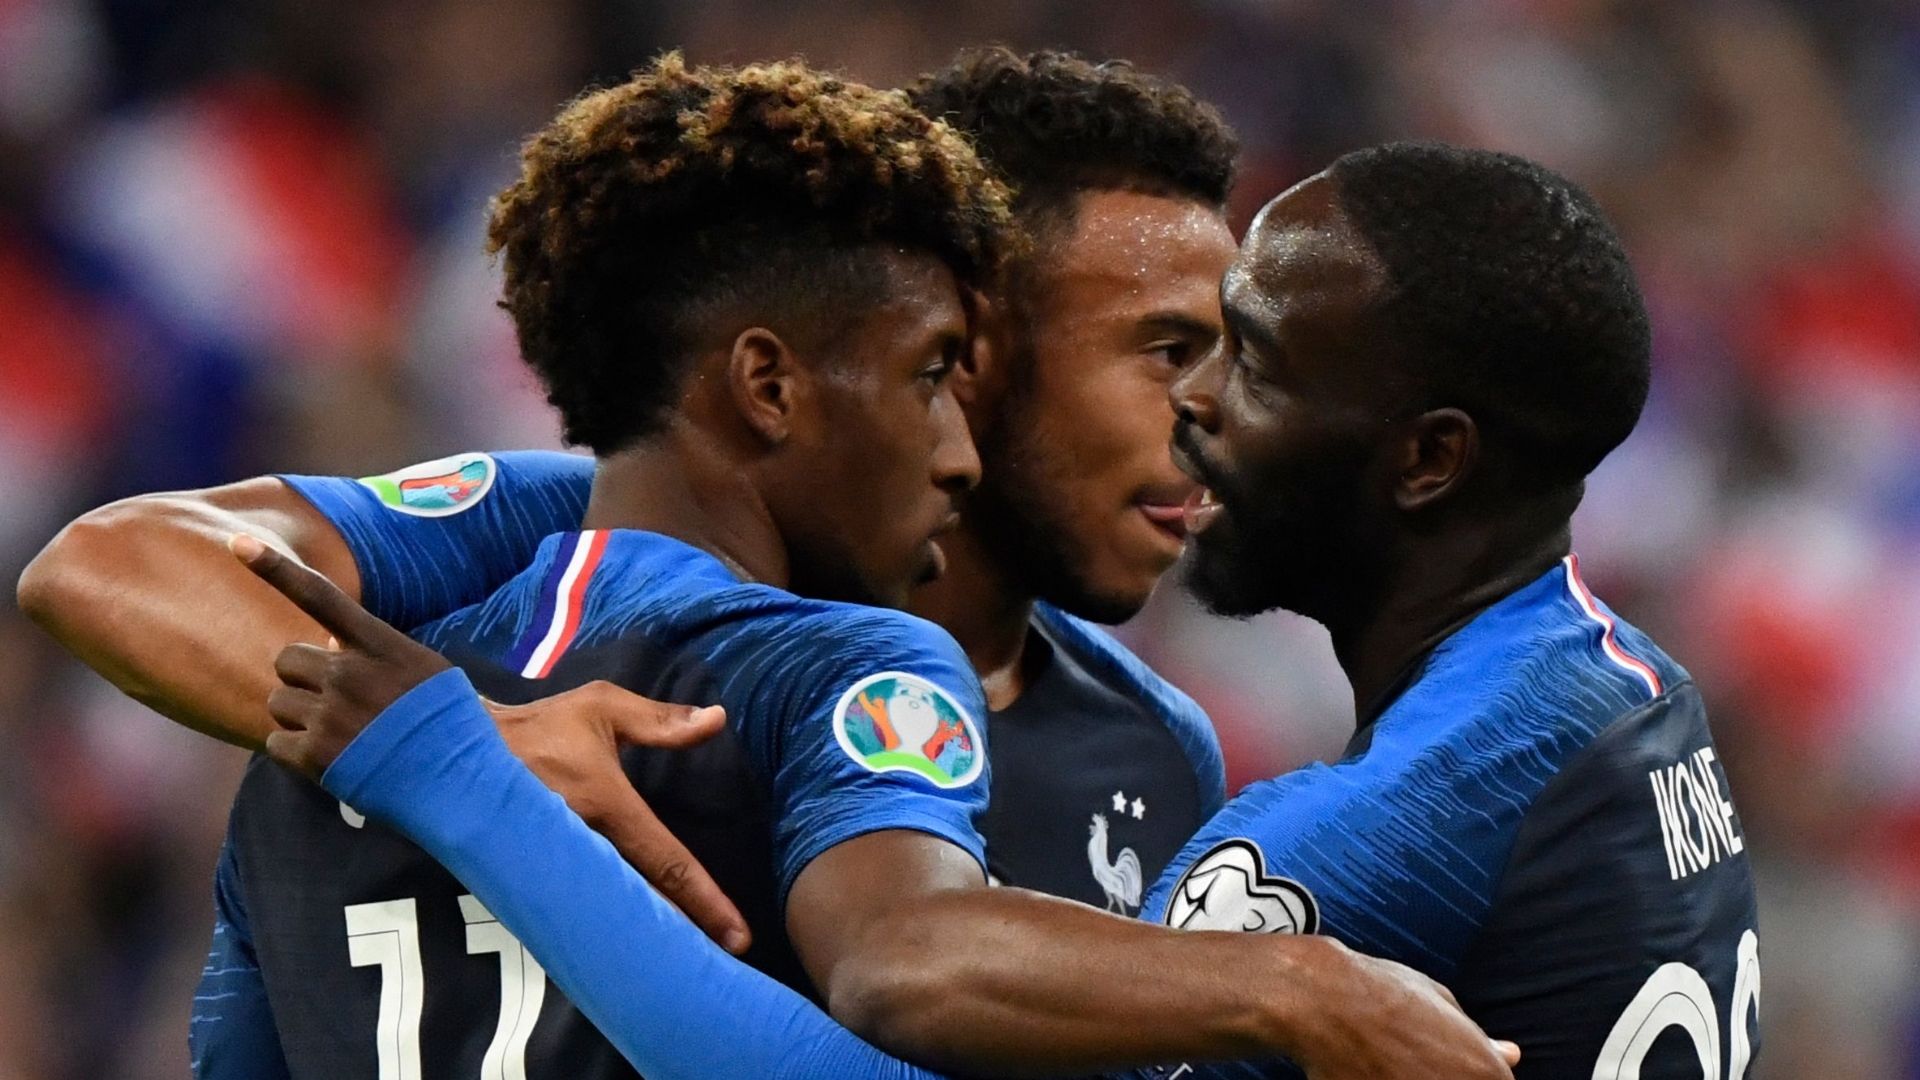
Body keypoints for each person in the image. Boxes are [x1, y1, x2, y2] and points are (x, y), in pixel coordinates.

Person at [18, 59, 1512, 1080]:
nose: (1213, 414)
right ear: (978, 352)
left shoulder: (1150, 743)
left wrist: (418, 741)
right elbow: (111, 561)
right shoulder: (565, 536)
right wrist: (469, 749)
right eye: (1166, 350)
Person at [237, 143, 1760, 1080]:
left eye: (1254, 364)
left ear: (1430, 461)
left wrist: (455, 777)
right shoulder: (1625, 697)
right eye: (1174, 350)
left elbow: (876, 1031)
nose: (1200, 407)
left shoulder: (1334, 844)